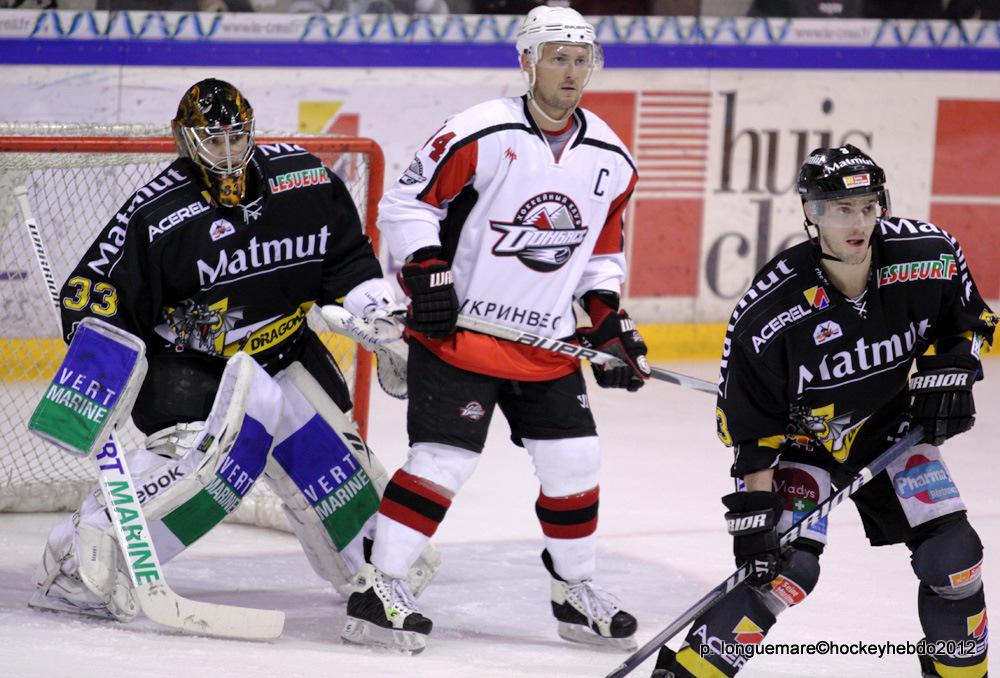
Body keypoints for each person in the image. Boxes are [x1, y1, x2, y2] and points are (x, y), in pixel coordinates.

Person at [29, 78, 435, 623]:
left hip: (288, 351)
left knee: (332, 471)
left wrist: (375, 310)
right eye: (212, 139)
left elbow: (346, 260)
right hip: (195, 368)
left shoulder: (304, 179)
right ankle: (76, 560)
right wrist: (98, 376)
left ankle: (372, 569)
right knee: (217, 467)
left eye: (235, 136)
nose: (226, 151)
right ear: (185, 139)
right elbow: (94, 295)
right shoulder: (158, 213)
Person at [339, 4, 653, 655]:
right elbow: (407, 204)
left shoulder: (612, 158)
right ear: (527, 61)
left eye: (582, 60)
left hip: (544, 342)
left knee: (575, 460)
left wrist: (607, 322)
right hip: (461, 335)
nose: (571, 72)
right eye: (558, 58)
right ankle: (379, 586)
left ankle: (574, 590)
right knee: (443, 461)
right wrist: (427, 271)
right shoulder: (479, 131)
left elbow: (600, 253)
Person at [652, 145, 994, 677]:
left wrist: (954, 371)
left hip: (887, 428)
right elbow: (751, 428)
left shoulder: (928, 254)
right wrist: (756, 515)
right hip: (801, 440)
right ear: (811, 212)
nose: (858, 223)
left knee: (954, 561)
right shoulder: (770, 310)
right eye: (841, 209)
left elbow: (968, 322)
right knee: (783, 573)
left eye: (867, 207)